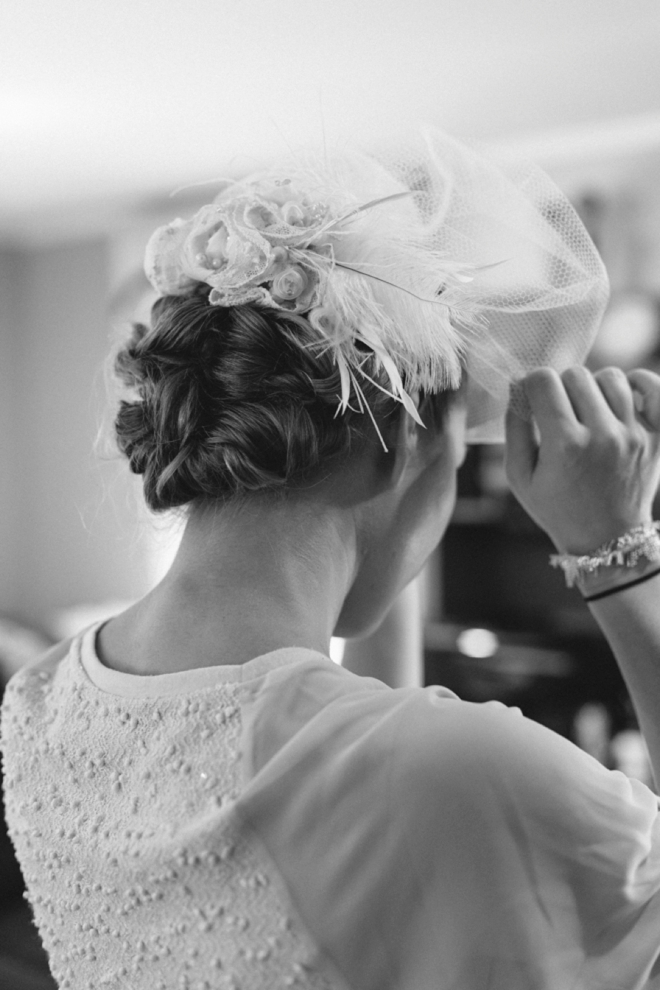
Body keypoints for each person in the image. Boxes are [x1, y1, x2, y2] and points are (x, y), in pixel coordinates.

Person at [2, 129, 660, 990]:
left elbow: (354, 746)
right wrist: (620, 553)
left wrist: (420, 456)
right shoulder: (450, 769)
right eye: (456, 466)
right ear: (402, 450)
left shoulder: (39, 702)